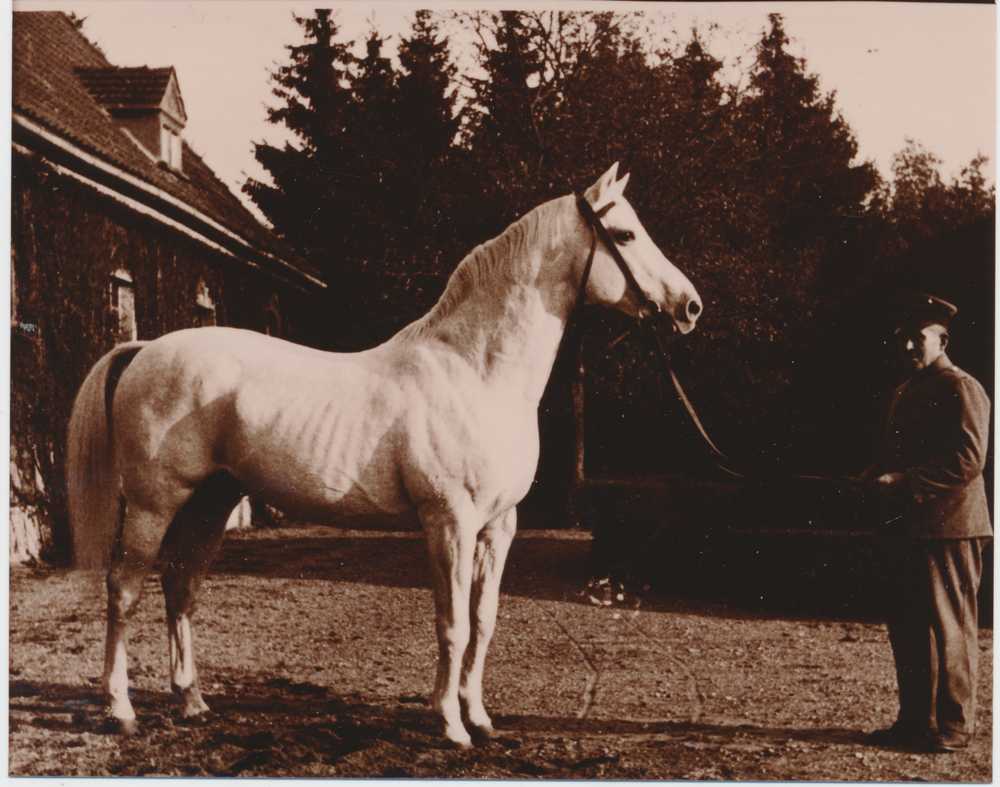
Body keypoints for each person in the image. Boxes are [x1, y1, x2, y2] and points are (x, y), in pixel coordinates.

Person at [857, 293, 992, 753]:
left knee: (950, 627)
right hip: (906, 527)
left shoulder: (961, 386)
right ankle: (916, 722)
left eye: (918, 339)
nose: (908, 347)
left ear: (942, 340)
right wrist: (872, 472)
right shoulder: (902, 391)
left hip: (949, 527)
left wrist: (903, 481)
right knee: (908, 626)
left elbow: (970, 460)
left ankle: (954, 728)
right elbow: (887, 452)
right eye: (902, 339)